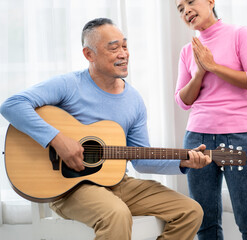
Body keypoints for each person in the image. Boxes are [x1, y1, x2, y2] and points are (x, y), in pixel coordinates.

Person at [0, 18, 212, 240]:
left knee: (190, 211)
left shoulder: (134, 100)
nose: (123, 54)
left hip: (117, 182)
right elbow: (11, 105)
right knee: (116, 214)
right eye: (113, 48)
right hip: (70, 188)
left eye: (125, 46)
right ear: (89, 55)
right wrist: (58, 140)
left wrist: (182, 162)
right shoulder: (69, 85)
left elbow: (141, 159)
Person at [174, 0, 247, 239]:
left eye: (190, 2)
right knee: (205, 223)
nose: (186, 10)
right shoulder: (188, 51)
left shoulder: (239, 34)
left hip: (240, 135)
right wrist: (199, 73)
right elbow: (182, 101)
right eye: (180, 8)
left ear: (210, 1)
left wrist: (213, 66)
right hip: (198, 137)